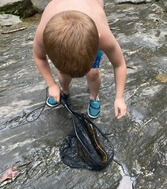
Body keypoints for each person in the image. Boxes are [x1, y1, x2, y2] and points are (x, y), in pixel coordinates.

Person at [33, 0, 127, 119]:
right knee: (63, 73)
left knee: (92, 72)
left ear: (98, 40)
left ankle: (94, 97)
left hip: (92, 15)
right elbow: (39, 57)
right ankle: (65, 90)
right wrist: (52, 85)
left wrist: (119, 97)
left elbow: (119, 64)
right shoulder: (43, 33)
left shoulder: (103, 36)